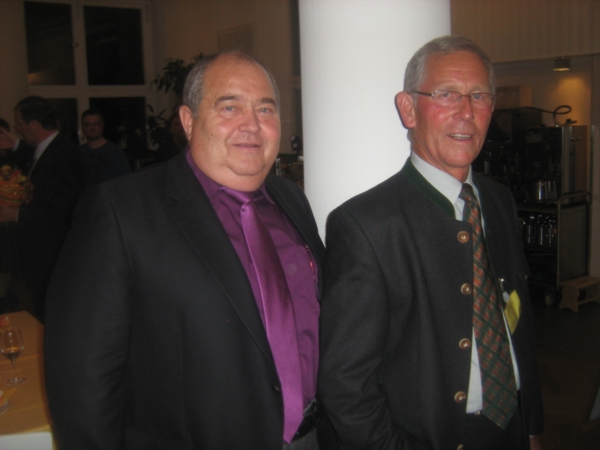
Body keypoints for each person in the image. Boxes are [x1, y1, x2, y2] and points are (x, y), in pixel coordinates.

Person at [44, 52, 330, 449]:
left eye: (265, 109)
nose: (252, 124)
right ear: (188, 120)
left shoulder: (291, 199)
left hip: (314, 438)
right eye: (229, 107)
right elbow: (82, 383)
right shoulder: (121, 212)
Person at [319, 36, 544, 450]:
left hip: (509, 427)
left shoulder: (498, 200)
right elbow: (346, 385)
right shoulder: (366, 224)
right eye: (446, 94)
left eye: (479, 96)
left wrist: (531, 427)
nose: (466, 111)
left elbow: (517, 324)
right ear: (408, 109)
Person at [0, 97, 84, 321]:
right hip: (44, 254)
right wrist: (14, 144)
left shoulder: (62, 154)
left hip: (54, 255)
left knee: (51, 314)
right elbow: (37, 158)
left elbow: (64, 208)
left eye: (20, 124)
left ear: (34, 124)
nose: (18, 129)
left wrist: (16, 214)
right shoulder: (52, 148)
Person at [79, 108, 131, 185]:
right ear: (83, 127)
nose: (92, 127)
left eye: (96, 123)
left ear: (102, 125)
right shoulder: (78, 153)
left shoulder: (115, 152)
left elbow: (126, 181)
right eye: (88, 124)